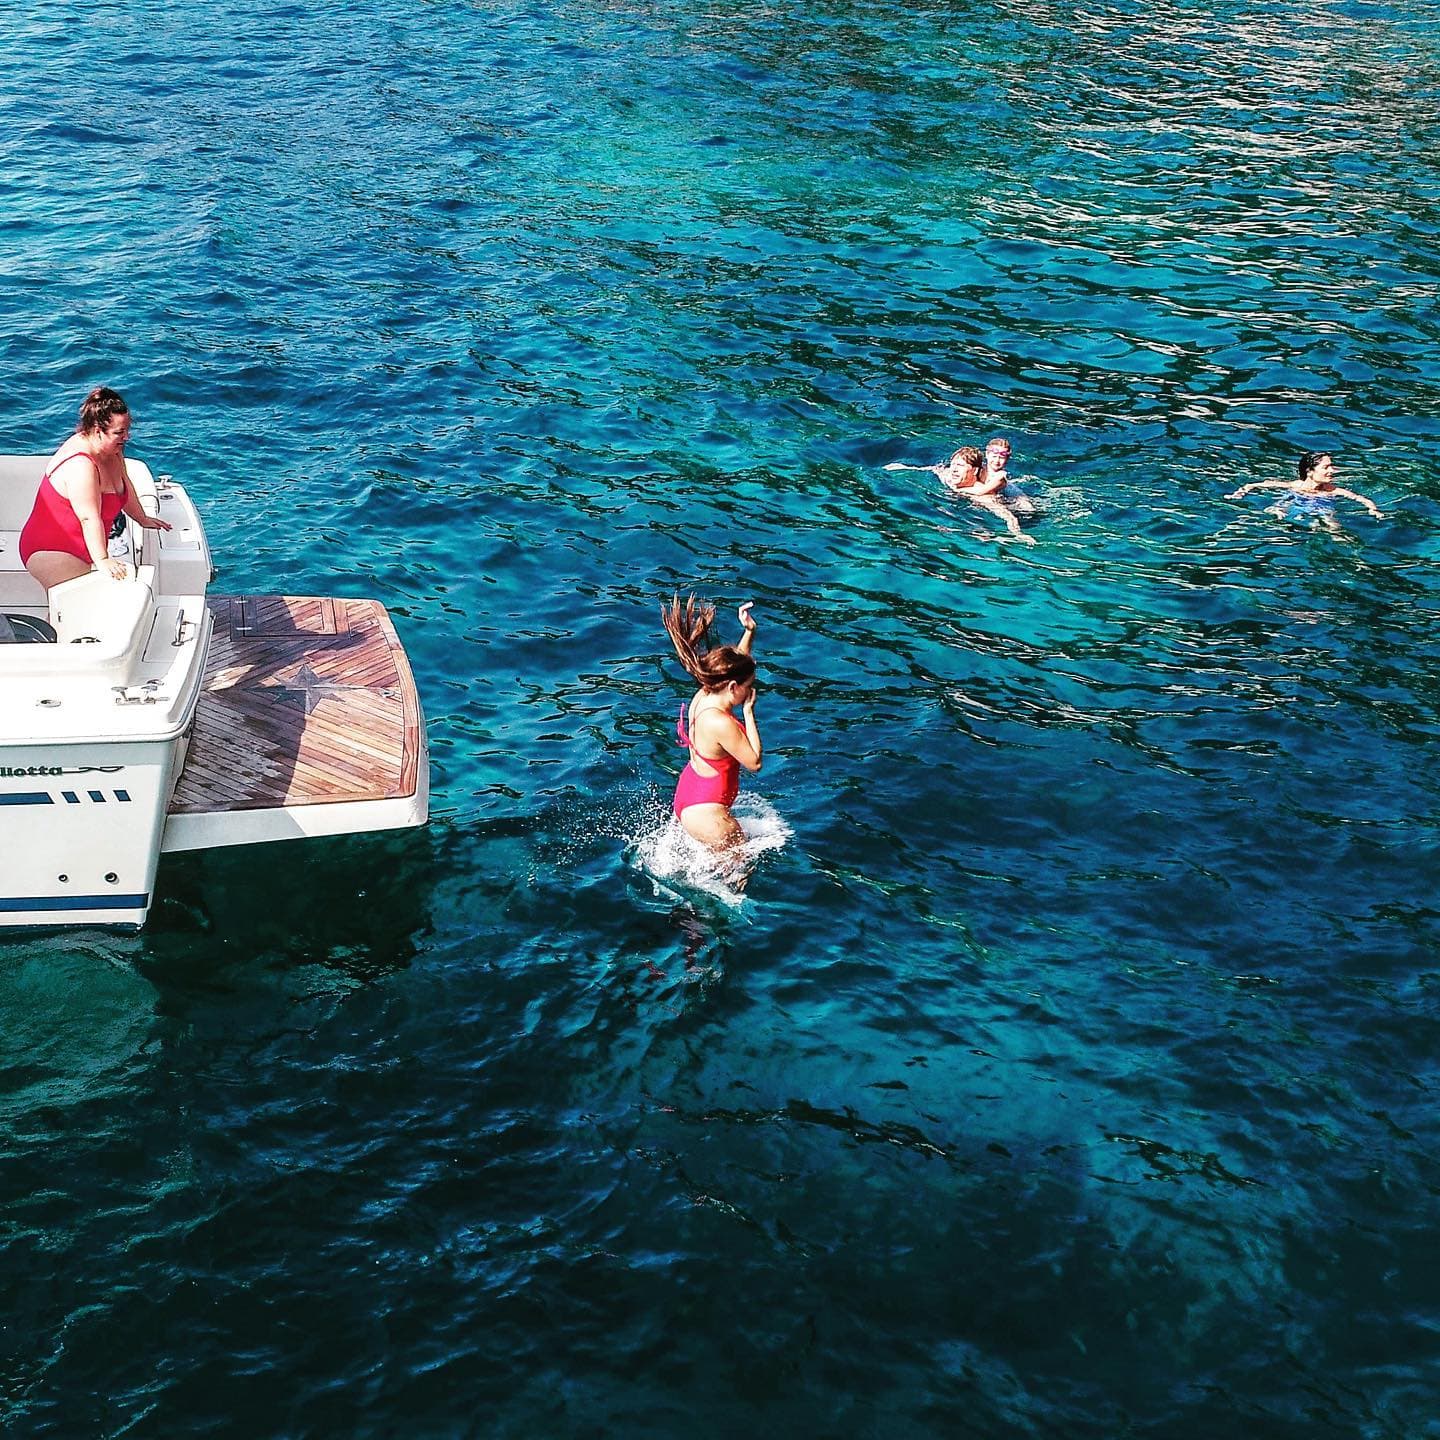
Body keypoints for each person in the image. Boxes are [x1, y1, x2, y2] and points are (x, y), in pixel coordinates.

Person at [18, 386, 171, 591]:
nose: (127, 437)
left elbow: (125, 484)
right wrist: (103, 560)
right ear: (98, 431)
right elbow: (89, 517)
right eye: (119, 432)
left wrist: (141, 518)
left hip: (83, 549)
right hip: (52, 550)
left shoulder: (112, 451)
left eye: (127, 429)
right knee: (78, 609)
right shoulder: (80, 465)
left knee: (76, 613)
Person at [661, 595, 762, 870]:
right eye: (749, 686)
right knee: (739, 876)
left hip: (691, 795)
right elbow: (754, 763)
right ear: (732, 688)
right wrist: (749, 713)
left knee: (717, 873)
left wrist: (749, 632)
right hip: (706, 812)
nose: (751, 690)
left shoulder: (705, 694)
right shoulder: (721, 722)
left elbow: (739, 667)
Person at [887, 438, 1036, 544]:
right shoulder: (951, 475)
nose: (954, 469)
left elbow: (1007, 515)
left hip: (1009, 497)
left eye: (960, 466)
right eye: (954, 464)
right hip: (969, 493)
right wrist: (904, 467)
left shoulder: (995, 483)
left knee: (986, 532)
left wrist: (1018, 534)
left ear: (973, 470)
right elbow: (935, 469)